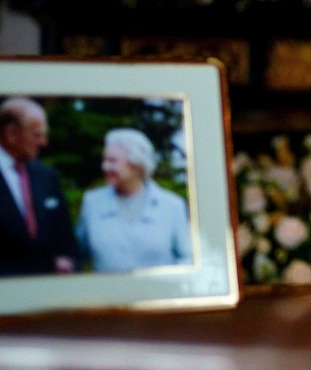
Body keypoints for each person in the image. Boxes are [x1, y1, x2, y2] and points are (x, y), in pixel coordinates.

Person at [76, 127, 193, 273]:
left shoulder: (172, 206)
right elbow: (76, 256)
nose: (105, 167)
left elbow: (187, 258)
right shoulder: (92, 203)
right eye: (104, 160)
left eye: (112, 161)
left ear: (137, 166)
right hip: (107, 295)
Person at [0, 97, 79, 275]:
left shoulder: (47, 177)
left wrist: (66, 259)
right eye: (37, 134)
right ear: (11, 133)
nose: (44, 142)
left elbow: (67, 240)